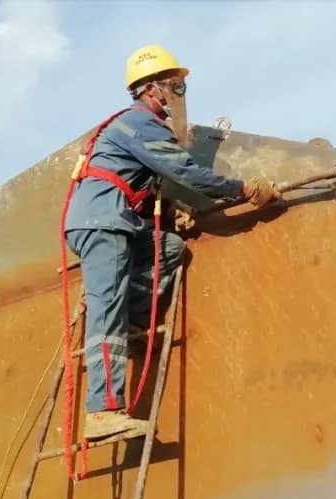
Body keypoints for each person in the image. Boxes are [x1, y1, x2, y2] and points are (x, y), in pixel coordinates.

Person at [64, 44, 279, 440]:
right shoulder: (141, 124)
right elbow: (185, 171)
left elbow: (147, 181)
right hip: (104, 223)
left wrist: (176, 207)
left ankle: (133, 318)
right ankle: (102, 412)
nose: (179, 94)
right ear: (151, 90)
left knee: (168, 248)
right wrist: (244, 189)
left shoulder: (131, 127)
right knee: (105, 312)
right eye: (175, 87)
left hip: (117, 220)